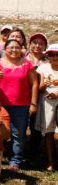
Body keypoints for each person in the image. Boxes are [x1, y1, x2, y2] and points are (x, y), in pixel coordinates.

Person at [0, 39, 39, 170]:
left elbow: (34, 84)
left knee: (18, 133)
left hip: (21, 105)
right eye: (11, 47)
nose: (14, 50)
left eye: (17, 47)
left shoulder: (27, 64)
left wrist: (33, 103)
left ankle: (16, 159)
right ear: (5, 49)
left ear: (22, 49)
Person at [34, 43, 58, 171]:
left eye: (57, 55)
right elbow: (39, 88)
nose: (55, 57)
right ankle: (50, 161)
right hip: (47, 104)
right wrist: (44, 85)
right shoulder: (43, 68)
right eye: (52, 55)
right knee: (48, 133)